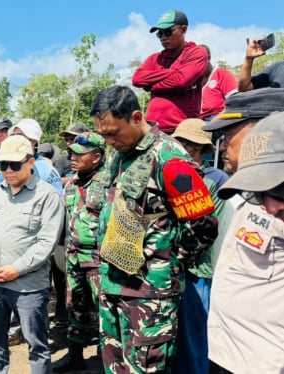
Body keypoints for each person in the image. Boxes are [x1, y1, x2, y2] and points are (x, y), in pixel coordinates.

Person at [90, 85, 218, 372]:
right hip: (113, 286)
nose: (108, 141)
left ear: (136, 118)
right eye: (103, 135)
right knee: (115, 366)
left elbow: (204, 226)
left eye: (113, 133)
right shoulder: (120, 155)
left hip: (149, 296)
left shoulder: (169, 159)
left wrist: (170, 262)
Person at [0, 134, 64, 374]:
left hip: (28, 286)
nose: (8, 170)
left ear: (30, 162)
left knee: (37, 344)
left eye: (14, 164)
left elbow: (46, 243)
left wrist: (16, 269)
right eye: (3, 165)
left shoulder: (47, 196)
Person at [205, 114, 284, 373]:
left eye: (280, 190)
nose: (269, 207)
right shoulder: (251, 195)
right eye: (260, 193)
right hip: (227, 351)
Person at [170, 118, 228, 374]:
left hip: (198, 271)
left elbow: (203, 232)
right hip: (182, 269)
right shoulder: (185, 175)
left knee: (194, 339)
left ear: (192, 147)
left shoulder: (212, 180)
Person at [52, 132, 106, 373]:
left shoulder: (109, 183)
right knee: (76, 307)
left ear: (96, 157)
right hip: (74, 257)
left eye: (79, 154)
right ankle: (75, 355)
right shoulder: (72, 184)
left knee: (104, 312)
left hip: (100, 261)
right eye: (71, 153)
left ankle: (105, 360)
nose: (72, 157)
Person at [132, 10, 208, 133]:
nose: (163, 37)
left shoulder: (196, 53)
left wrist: (152, 85)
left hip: (183, 130)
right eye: (159, 34)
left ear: (183, 30)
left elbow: (180, 82)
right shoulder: (155, 58)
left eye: (168, 32)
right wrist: (174, 72)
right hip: (153, 130)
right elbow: (137, 79)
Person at [198, 45, 238, 122]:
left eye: (199, 60)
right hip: (198, 119)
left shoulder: (222, 74)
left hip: (218, 117)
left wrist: (217, 119)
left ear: (208, 58)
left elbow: (235, 102)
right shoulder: (194, 80)